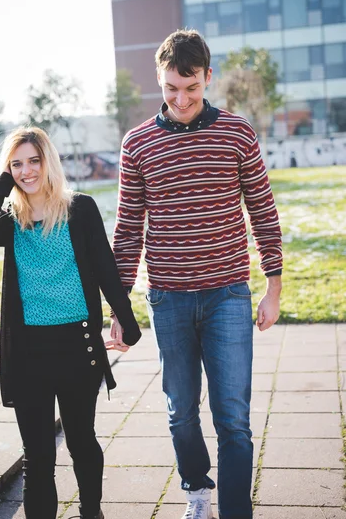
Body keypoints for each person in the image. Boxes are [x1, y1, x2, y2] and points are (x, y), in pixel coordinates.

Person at [111, 29, 282, 519]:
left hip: (229, 294)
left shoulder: (236, 132)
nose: (181, 99)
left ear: (208, 77)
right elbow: (127, 229)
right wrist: (120, 309)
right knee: (180, 412)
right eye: (170, 88)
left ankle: (234, 512)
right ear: (159, 81)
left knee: (233, 420)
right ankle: (197, 491)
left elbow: (263, 210)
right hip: (169, 299)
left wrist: (273, 287)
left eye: (191, 87)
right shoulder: (137, 143)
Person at [0, 126, 141, 519]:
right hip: (27, 352)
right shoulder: (9, 218)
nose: (27, 171)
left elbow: (104, 268)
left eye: (34, 161)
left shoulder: (80, 208)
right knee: (39, 455)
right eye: (17, 164)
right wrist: (0, 184)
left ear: (49, 162)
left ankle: (90, 512)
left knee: (82, 441)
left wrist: (124, 320)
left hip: (77, 345)